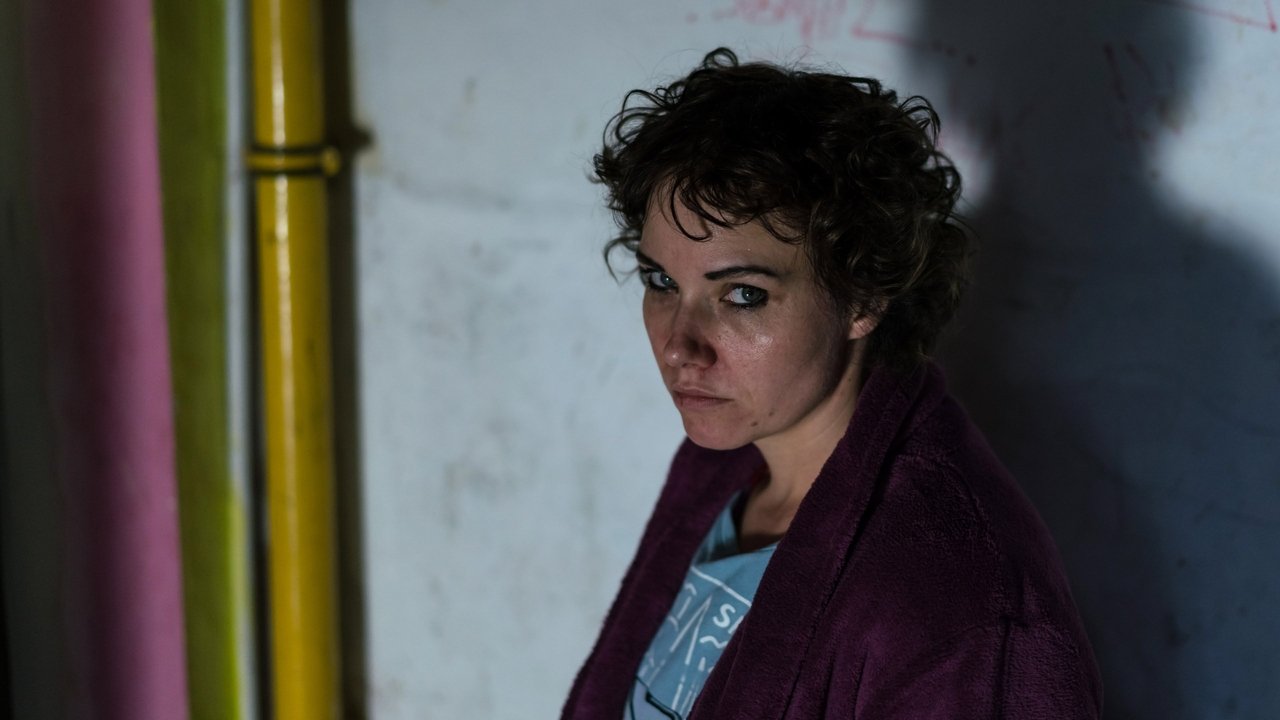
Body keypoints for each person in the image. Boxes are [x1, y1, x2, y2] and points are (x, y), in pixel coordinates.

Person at [562, 48, 1102, 720]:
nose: (679, 346)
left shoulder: (959, 604)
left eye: (743, 294)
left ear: (862, 298)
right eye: (662, 281)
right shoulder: (724, 468)